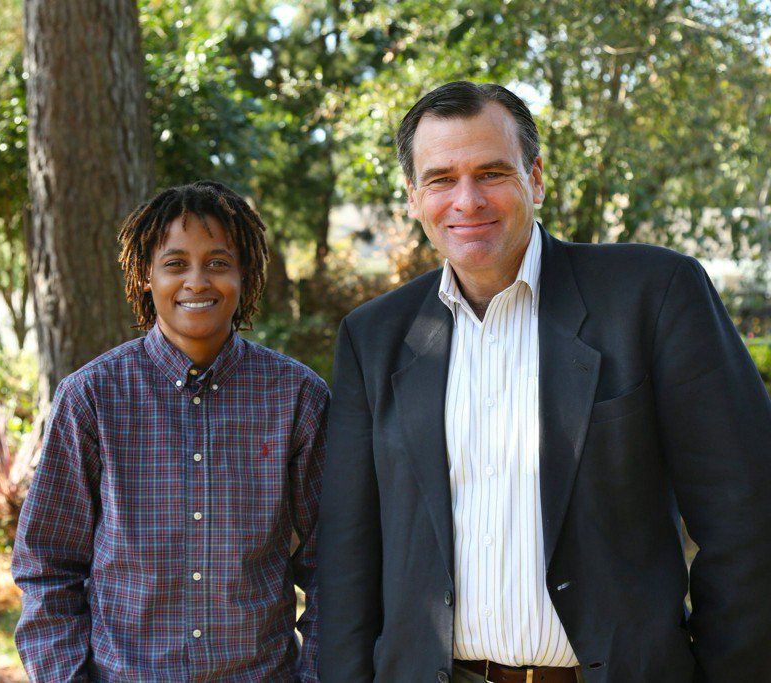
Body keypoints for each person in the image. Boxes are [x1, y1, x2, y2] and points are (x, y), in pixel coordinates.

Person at [317, 81, 771, 683]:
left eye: (491, 173)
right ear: (412, 198)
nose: (467, 199)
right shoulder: (373, 337)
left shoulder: (655, 294)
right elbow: (347, 557)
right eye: (441, 179)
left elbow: (746, 516)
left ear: (534, 179)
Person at [13, 180, 327, 682]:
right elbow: (48, 566)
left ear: (245, 273)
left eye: (218, 263)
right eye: (175, 264)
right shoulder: (91, 398)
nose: (196, 282)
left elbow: (332, 567)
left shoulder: (297, 398)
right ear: (145, 276)